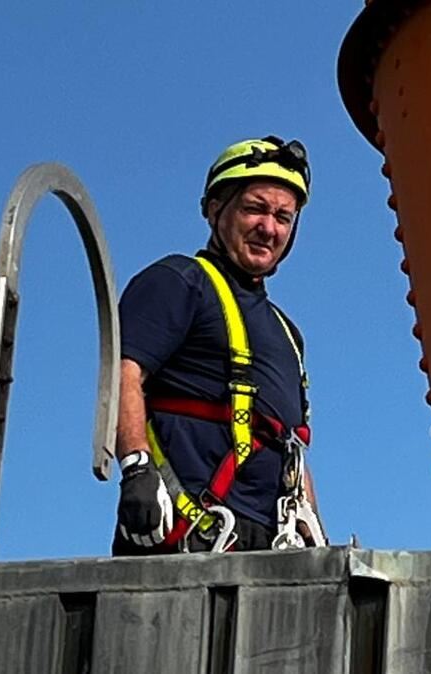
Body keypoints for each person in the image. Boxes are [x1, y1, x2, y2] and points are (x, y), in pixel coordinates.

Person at [113, 136, 326, 555]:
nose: (270, 227)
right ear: (215, 208)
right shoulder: (179, 282)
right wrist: (136, 468)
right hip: (192, 535)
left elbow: (289, 442)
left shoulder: (287, 331)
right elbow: (123, 374)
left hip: (269, 545)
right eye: (255, 209)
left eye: (284, 216)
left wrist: (313, 526)